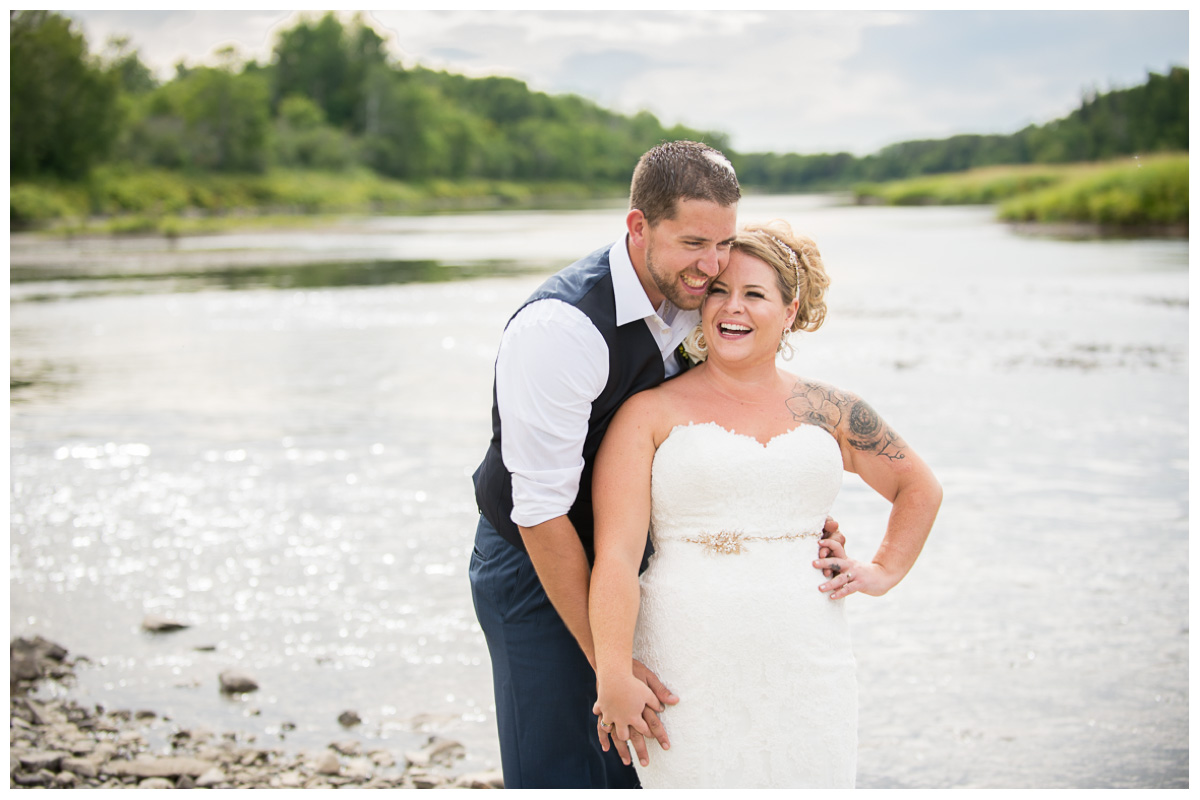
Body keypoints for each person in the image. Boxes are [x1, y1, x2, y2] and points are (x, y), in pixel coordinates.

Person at [469, 142, 846, 789]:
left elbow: (716, 421)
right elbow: (538, 513)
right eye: (694, 242)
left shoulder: (698, 296)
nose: (713, 264)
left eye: (724, 242)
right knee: (565, 766)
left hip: (639, 565)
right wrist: (607, 661)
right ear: (638, 227)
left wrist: (781, 513)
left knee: (648, 764)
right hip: (539, 565)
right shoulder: (560, 332)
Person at [588, 222, 943, 788]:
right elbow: (616, 557)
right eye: (719, 291)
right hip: (687, 653)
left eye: (754, 294)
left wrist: (882, 570)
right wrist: (611, 671)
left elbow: (918, 488)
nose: (733, 308)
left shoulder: (831, 409)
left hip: (807, 654)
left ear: (791, 308)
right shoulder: (647, 414)